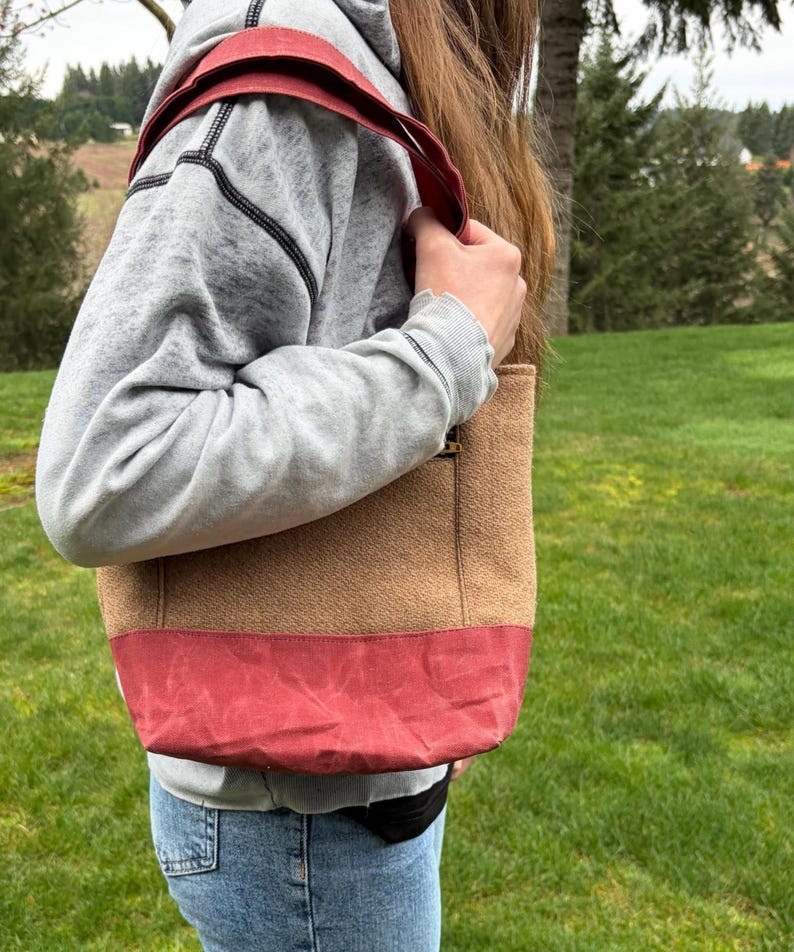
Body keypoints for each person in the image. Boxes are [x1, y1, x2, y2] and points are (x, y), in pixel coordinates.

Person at [36, 0, 553, 948]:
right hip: (304, 828)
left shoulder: (368, 76)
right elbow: (104, 465)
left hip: (341, 794)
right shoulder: (279, 102)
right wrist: (442, 353)